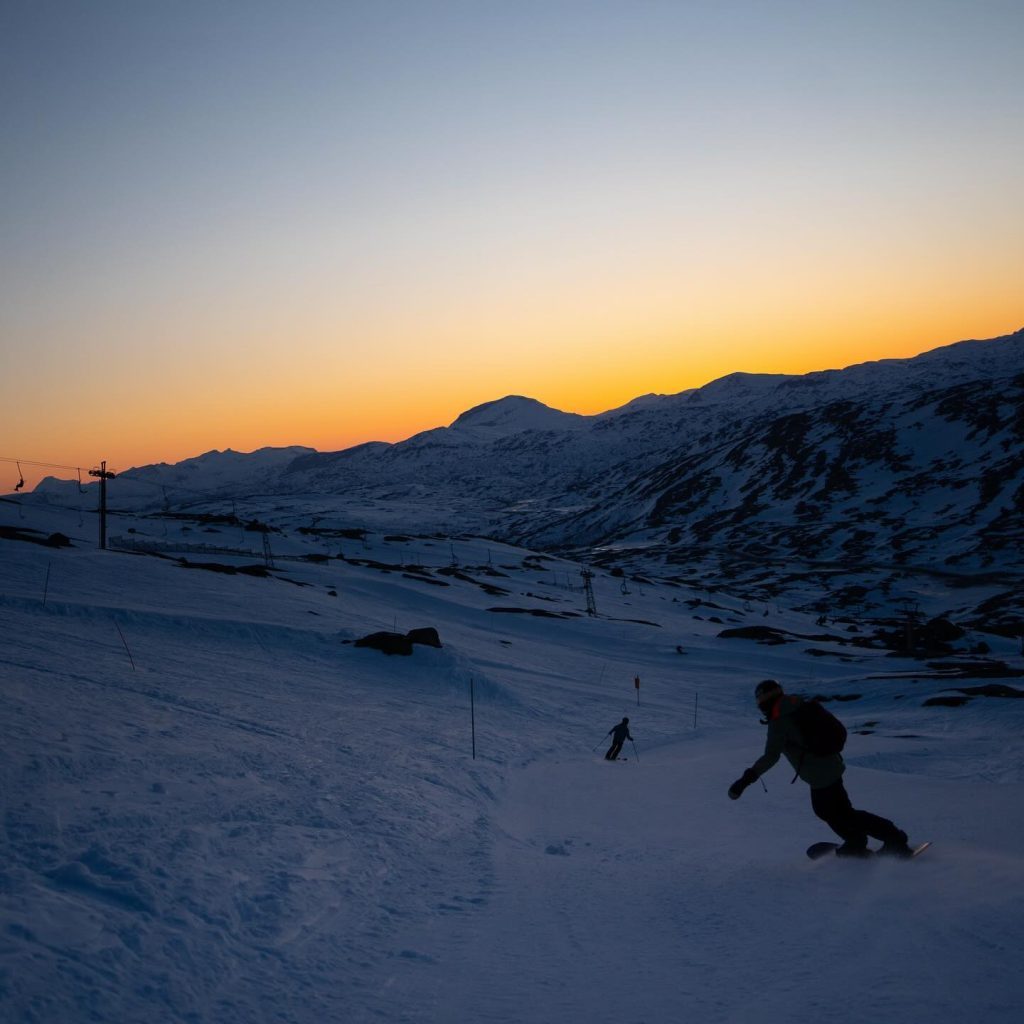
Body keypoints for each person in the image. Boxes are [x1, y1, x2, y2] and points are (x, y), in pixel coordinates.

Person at [728, 680, 913, 857]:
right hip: (831, 765)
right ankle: (863, 840)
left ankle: (886, 838)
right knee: (837, 811)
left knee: (838, 812)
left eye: (760, 701)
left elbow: (771, 756)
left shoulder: (780, 721)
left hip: (820, 774)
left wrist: (745, 781)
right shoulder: (797, 705)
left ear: (764, 701)